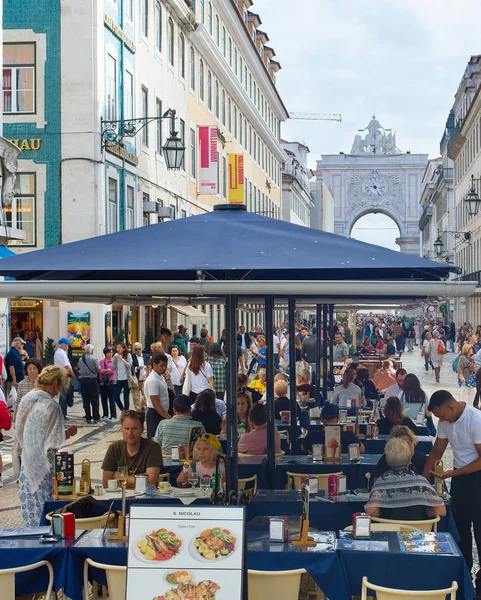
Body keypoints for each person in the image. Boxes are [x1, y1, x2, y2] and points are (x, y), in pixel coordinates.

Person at [423, 390, 481, 593]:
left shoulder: (475, 420)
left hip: (477, 477)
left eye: (441, 415)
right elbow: (437, 451)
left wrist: (453, 473)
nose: (440, 419)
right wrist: (423, 480)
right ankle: (464, 577)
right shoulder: (446, 421)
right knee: (461, 531)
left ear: (451, 406)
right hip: (459, 479)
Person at [17, 366, 78, 525]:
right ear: (53, 383)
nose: (59, 391)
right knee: (46, 510)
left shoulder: (27, 398)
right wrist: (69, 432)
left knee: (31, 511)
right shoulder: (51, 406)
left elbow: (20, 429)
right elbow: (54, 440)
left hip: (28, 463)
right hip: (45, 466)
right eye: (60, 385)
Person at [365, 437, 445, 521]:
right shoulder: (422, 482)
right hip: (418, 532)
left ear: (387, 460)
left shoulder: (381, 482)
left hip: (389, 531)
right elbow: (441, 510)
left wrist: (379, 513)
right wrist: (428, 512)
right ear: (409, 459)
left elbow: (371, 512)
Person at [102, 409, 163, 489]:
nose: (130, 433)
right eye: (126, 428)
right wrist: (139, 481)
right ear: (121, 428)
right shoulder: (114, 448)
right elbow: (106, 483)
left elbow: (150, 483)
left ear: (142, 429)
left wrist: (119, 476)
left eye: (134, 429)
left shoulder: (153, 448)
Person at [144, 353, 171, 438]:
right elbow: (155, 403)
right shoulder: (153, 380)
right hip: (155, 414)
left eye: (165, 366)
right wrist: (168, 417)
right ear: (154, 365)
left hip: (162, 413)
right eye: (161, 365)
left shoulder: (160, 376)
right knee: (155, 442)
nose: (163, 368)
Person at [14, 358, 43, 422]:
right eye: (29, 369)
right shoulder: (22, 384)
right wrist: (15, 418)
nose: (32, 371)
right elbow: (18, 402)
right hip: (25, 416)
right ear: (26, 370)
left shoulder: (43, 383)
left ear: (39, 369)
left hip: (40, 416)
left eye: (34, 369)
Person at [77, 344, 101, 424]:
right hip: (92, 380)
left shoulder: (81, 359)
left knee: (86, 399)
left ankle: (88, 417)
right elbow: (99, 370)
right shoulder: (94, 359)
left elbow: (80, 368)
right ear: (91, 351)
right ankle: (96, 417)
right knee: (94, 399)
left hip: (83, 381)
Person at [54, 337, 75, 418]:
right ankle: (62, 414)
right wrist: (72, 374)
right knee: (64, 395)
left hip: (62, 375)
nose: (68, 347)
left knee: (65, 395)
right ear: (62, 345)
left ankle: (63, 413)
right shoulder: (61, 353)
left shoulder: (59, 352)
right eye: (67, 345)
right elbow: (67, 366)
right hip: (64, 376)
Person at [99, 347, 119, 421]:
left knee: (111, 399)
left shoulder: (113, 361)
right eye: (109, 352)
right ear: (106, 353)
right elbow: (99, 370)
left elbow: (113, 371)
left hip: (111, 382)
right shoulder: (101, 362)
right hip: (103, 382)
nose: (111, 354)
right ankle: (105, 414)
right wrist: (106, 370)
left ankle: (113, 415)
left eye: (112, 352)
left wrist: (106, 371)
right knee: (103, 399)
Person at [112, 343, 133, 411]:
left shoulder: (128, 355)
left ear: (124, 349)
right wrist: (114, 359)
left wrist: (122, 359)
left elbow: (129, 366)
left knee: (126, 397)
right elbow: (113, 368)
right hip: (118, 379)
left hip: (126, 379)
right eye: (117, 347)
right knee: (116, 397)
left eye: (120, 347)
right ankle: (122, 409)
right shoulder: (115, 356)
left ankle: (126, 412)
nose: (118, 349)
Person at [4, 337, 26, 401]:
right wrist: (14, 379)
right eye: (22, 344)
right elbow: (11, 367)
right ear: (17, 344)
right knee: (14, 399)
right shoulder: (12, 353)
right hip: (14, 380)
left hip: (18, 379)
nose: (23, 345)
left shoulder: (16, 352)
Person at [131, 342, 149, 412]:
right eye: (136, 349)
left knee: (146, 395)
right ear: (134, 350)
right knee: (136, 397)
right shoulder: (131, 357)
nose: (138, 350)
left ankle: (142, 407)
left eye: (139, 349)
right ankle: (138, 412)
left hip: (144, 380)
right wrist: (136, 368)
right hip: (135, 380)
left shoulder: (147, 356)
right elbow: (130, 367)